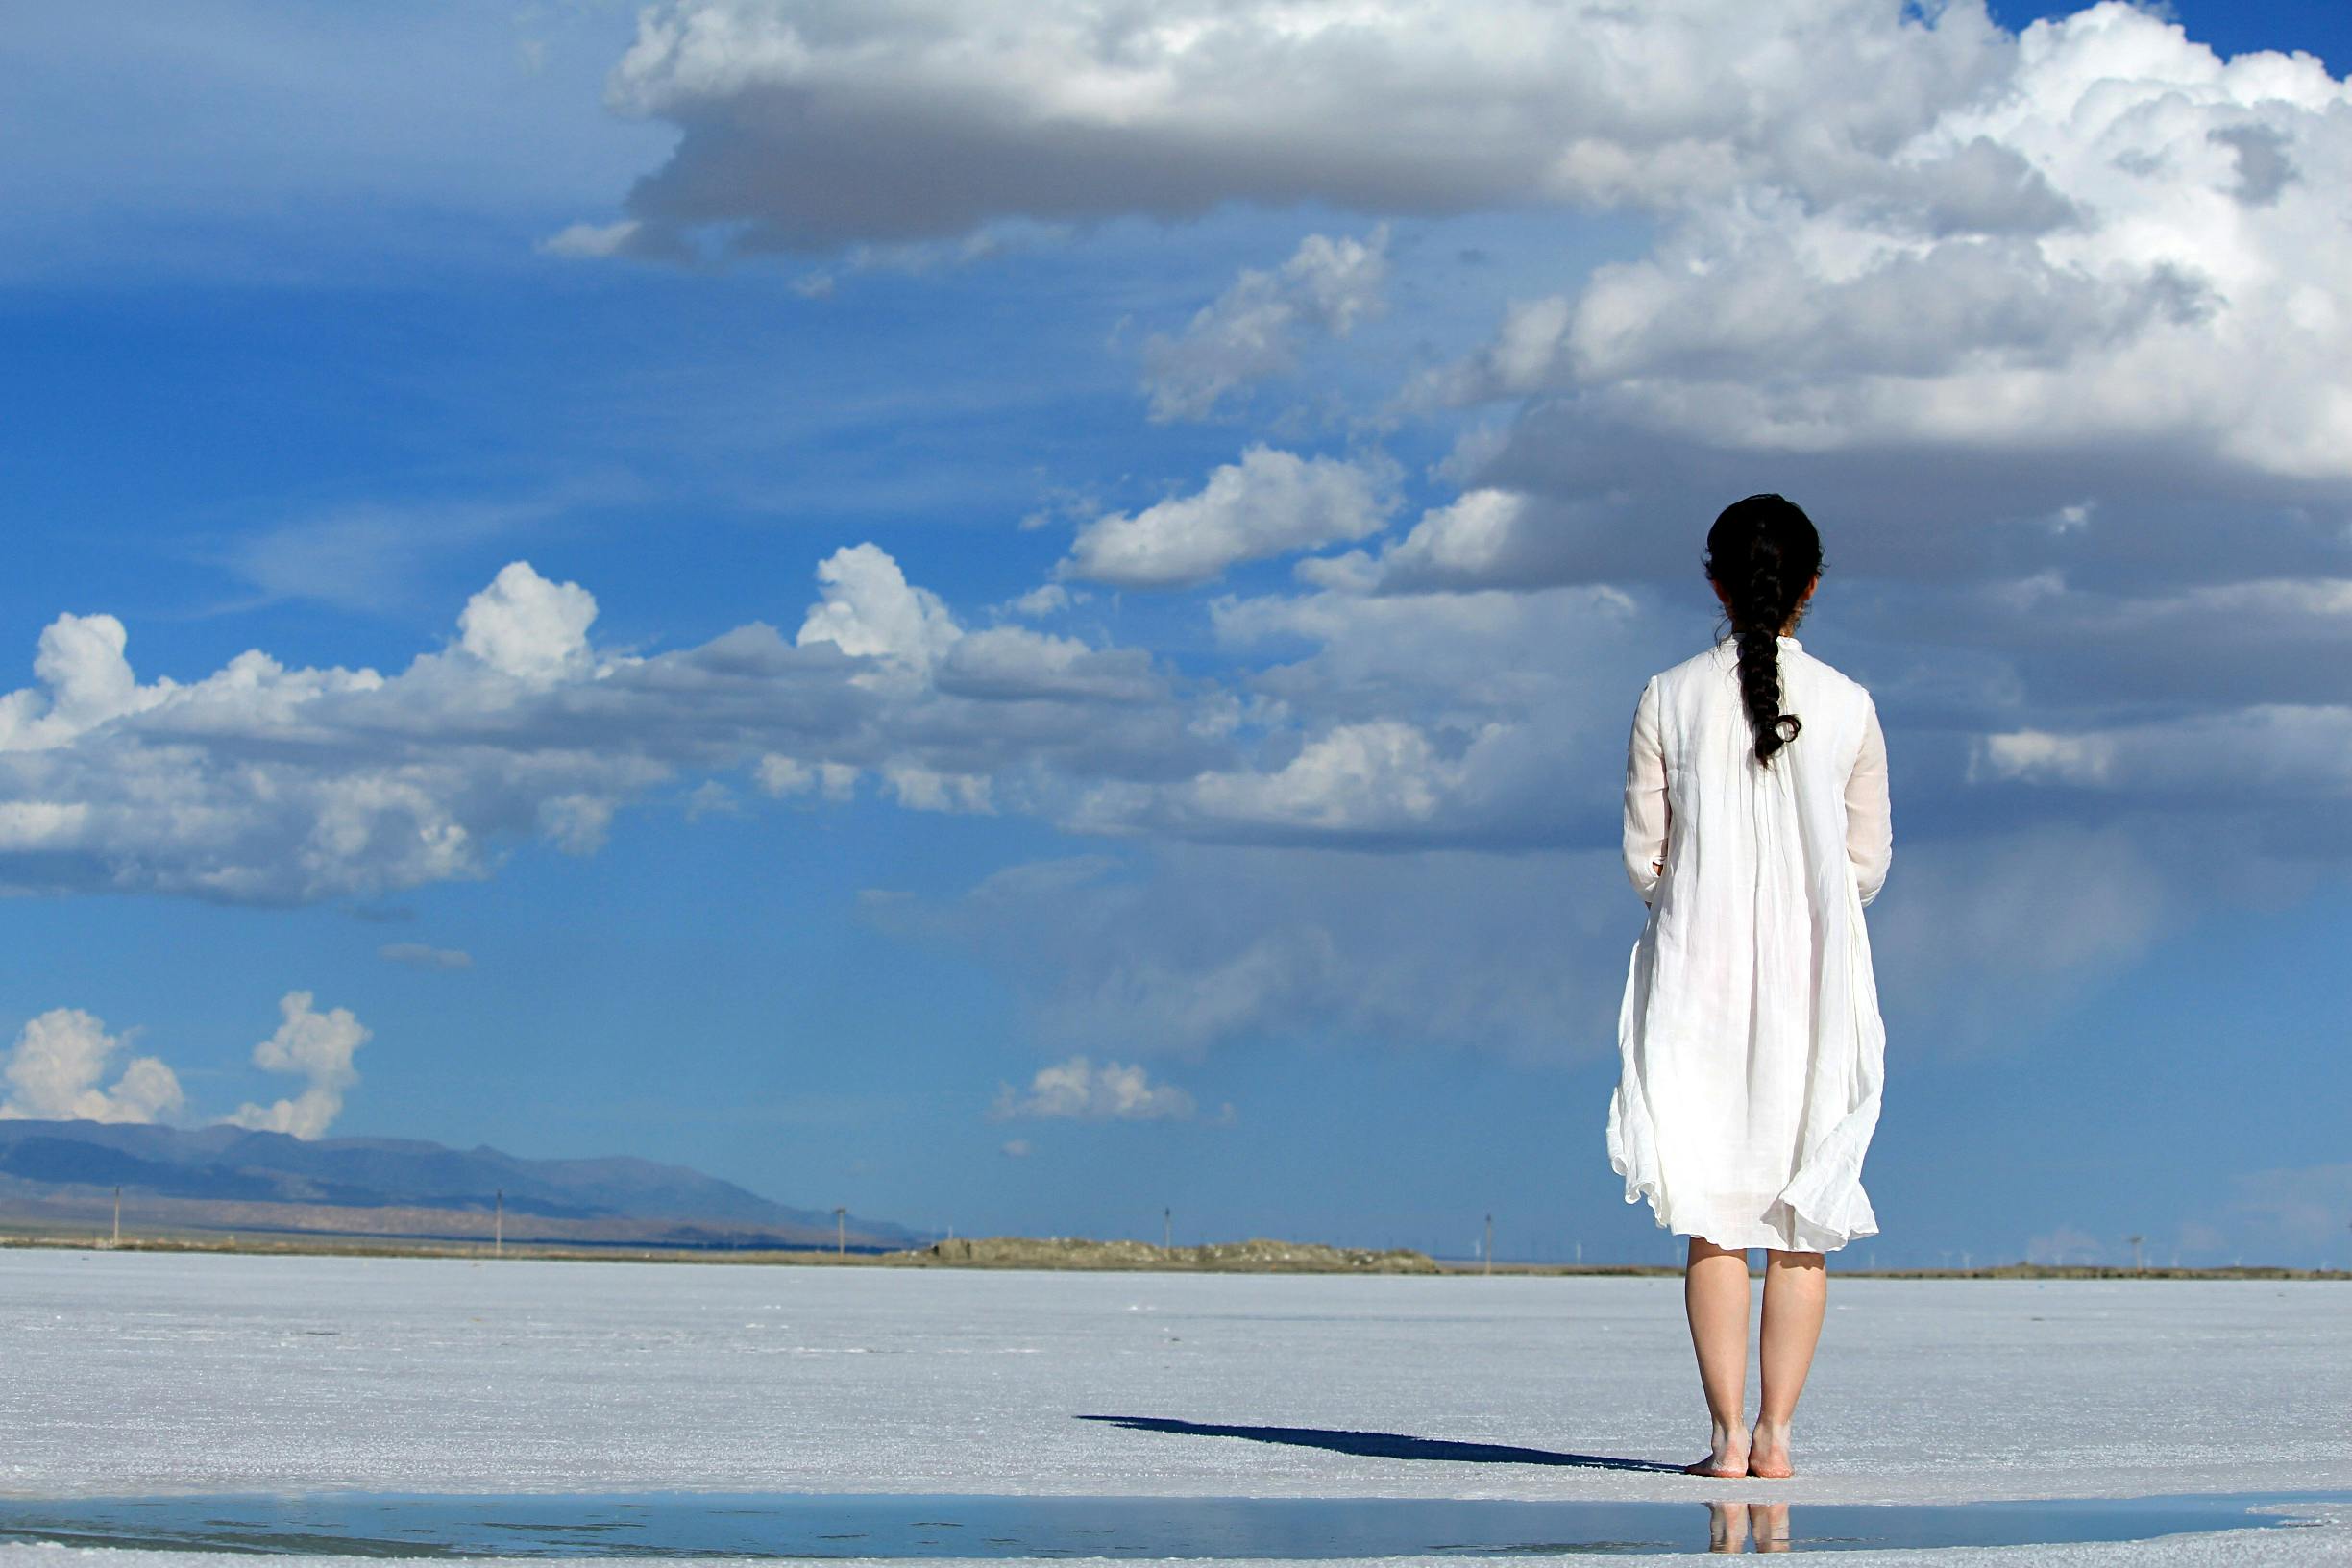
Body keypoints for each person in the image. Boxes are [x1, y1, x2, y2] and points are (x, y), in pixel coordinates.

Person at [1605, 493, 1894, 1481]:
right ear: (1810, 588)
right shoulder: (1850, 704)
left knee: (1715, 1216)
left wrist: (1697, 899)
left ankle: (1727, 1441)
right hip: (1815, 980)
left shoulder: (1666, 695)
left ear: (1716, 582)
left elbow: (1647, 858)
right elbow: (1866, 866)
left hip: (1697, 977)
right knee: (1800, 1221)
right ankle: (1775, 1441)